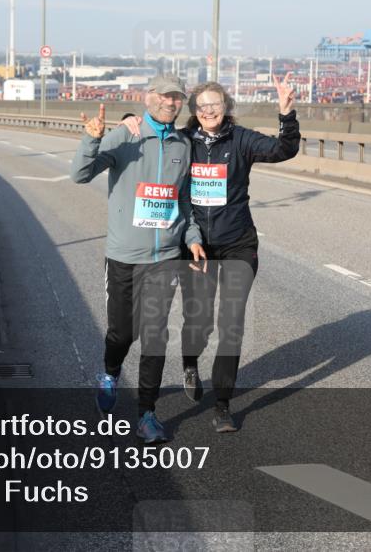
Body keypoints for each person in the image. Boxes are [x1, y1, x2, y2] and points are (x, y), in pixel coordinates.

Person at [122, 74, 299, 432]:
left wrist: (286, 114)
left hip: (238, 244)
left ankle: (222, 405)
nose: (208, 111)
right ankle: (191, 362)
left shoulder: (242, 139)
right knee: (198, 323)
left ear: (226, 108)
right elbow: (153, 133)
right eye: (201, 106)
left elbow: (284, 149)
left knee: (231, 324)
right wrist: (129, 119)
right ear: (194, 111)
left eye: (215, 105)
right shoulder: (183, 141)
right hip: (196, 245)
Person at [70, 74, 207, 444]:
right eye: (164, 96)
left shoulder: (183, 144)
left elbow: (182, 200)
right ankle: (110, 373)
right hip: (124, 255)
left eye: (177, 98)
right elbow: (80, 175)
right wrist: (92, 138)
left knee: (155, 335)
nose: (171, 103)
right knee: (122, 333)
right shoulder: (125, 135)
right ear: (148, 98)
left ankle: (147, 413)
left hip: (164, 256)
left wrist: (191, 238)